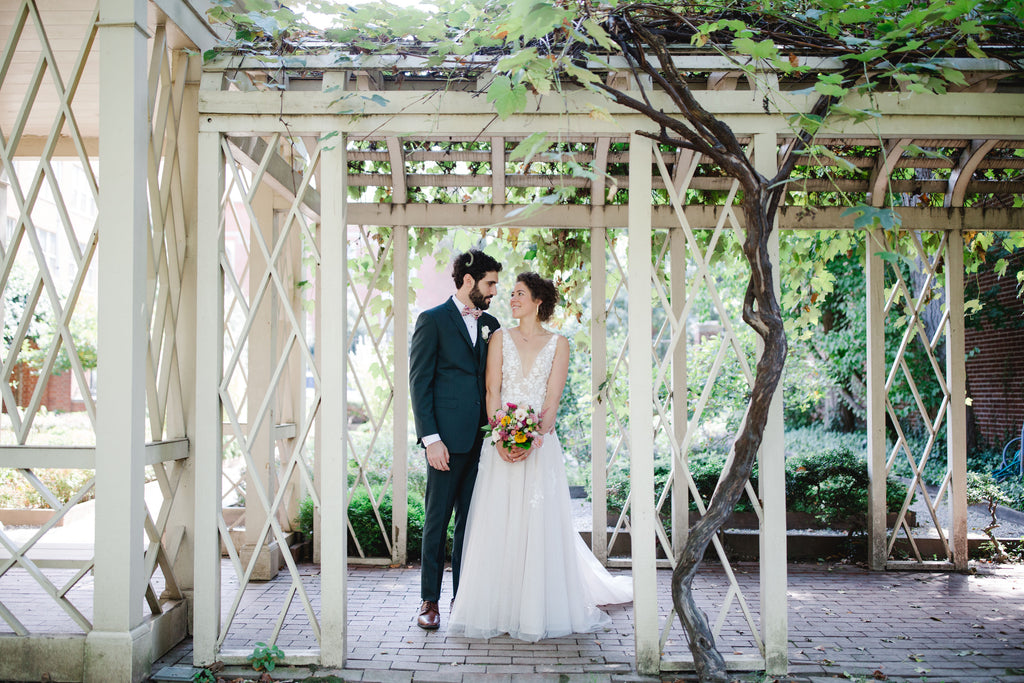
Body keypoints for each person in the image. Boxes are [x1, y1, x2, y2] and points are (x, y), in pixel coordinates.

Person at [449, 272, 632, 642]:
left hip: (540, 446)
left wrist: (532, 438)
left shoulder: (559, 343)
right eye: (511, 293)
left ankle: (536, 606)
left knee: (538, 524)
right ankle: (498, 606)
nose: (512, 298)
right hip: (500, 442)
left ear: (538, 301)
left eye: (519, 293)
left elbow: (552, 399)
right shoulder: (499, 337)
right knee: (499, 521)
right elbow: (492, 390)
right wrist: (502, 436)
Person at [409, 249, 502, 630]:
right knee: (437, 522)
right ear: (468, 281)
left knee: (471, 523)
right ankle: (429, 601)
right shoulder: (431, 321)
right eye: (490, 283)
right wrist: (431, 439)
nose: (495, 291)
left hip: (484, 443)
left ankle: (462, 599)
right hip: (445, 443)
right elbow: (419, 383)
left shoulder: (492, 324)